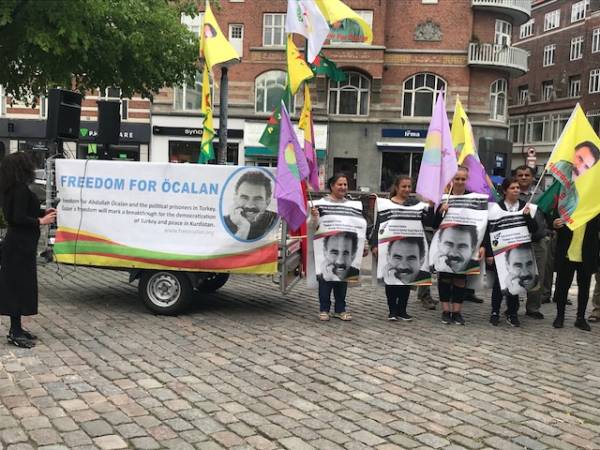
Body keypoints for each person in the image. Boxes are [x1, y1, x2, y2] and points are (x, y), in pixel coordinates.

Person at [0, 152, 56, 348]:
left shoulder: (12, 188)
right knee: (18, 287)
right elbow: (18, 218)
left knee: (18, 286)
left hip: (18, 244)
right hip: (19, 245)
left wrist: (42, 212)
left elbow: (22, 212)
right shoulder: (20, 189)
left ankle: (17, 328)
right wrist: (41, 220)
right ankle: (15, 332)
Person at [370, 175, 432, 321]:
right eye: (404, 186)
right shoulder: (386, 204)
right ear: (397, 187)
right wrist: (374, 244)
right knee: (391, 280)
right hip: (390, 248)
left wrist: (431, 208)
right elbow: (378, 225)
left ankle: (402, 310)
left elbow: (428, 222)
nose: (407, 189)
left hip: (411, 247)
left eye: (409, 187)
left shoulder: (415, 204)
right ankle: (392, 310)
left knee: (406, 282)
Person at [311, 173, 367, 322]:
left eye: (345, 184)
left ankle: (340, 309)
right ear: (332, 186)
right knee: (325, 280)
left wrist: (364, 244)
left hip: (346, 250)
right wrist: (314, 217)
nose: (343, 187)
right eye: (340, 184)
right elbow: (312, 227)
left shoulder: (353, 206)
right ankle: (324, 309)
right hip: (328, 249)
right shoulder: (319, 204)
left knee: (342, 280)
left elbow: (360, 227)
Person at [433, 166, 485, 326]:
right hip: (445, 245)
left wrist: (482, 245)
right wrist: (440, 211)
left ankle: (457, 312)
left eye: (463, 179)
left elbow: (482, 223)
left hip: (465, 246)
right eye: (457, 178)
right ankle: (445, 311)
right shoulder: (443, 198)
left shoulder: (474, 199)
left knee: (460, 279)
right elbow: (433, 224)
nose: (460, 181)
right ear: (452, 180)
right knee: (445, 278)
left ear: (467, 180)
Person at [486, 177, 538, 327]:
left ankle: (512, 312)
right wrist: (489, 253)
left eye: (517, 188)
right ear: (505, 191)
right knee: (499, 283)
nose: (516, 190)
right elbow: (489, 231)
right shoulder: (496, 208)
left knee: (515, 284)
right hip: (500, 251)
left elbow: (534, 229)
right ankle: (495, 311)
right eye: (512, 188)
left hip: (519, 252)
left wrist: (527, 217)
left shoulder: (526, 206)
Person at [551, 213, 600, 331]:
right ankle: (560, 316)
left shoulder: (593, 208)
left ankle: (580, 318)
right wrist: (554, 223)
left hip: (586, 254)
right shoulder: (568, 205)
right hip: (566, 253)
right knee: (562, 287)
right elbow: (553, 218)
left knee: (584, 288)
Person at [515, 165, 551, 318]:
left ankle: (533, 307)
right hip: (516, 241)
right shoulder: (512, 193)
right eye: (520, 175)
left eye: (526, 175)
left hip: (537, 241)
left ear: (532, 177)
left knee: (538, 275)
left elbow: (548, 215)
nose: (523, 177)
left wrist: (547, 231)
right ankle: (512, 306)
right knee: (515, 273)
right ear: (516, 177)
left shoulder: (541, 195)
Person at [224, 170, 278, 241]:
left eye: (257, 199)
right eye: (244, 197)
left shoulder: (277, 221)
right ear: (235, 198)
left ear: (267, 202)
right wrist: (243, 228)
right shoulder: (223, 223)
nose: (250, 205)